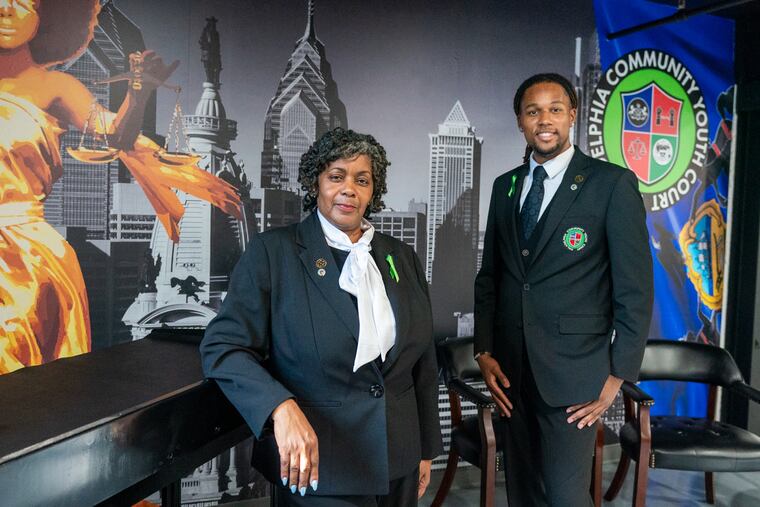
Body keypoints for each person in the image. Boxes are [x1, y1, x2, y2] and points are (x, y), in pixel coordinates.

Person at [201, 128, 442, 506]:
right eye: (336, 176)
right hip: (318, 465)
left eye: (362, 180)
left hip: (399, 460)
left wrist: (425, 448)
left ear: (373, 192)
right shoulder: (273, 253)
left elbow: (423, 359)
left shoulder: (402, 256)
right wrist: (280, 407)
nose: (349, 189)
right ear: (316, 183)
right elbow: (223, 348)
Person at [0, 0, 242, 373]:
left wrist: (139, 92)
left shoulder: (55, 87)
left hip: (26, 261)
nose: (6, 9)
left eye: (23, 1)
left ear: (46, 15)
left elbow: (115, 135)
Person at [474, 73, 653, 506]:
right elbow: (490, 277)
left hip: (575, 375)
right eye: (533, 111)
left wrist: (618, 374)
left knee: (564, 496)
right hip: (512, 372)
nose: (544, 120)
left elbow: (635, 288)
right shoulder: (505, 186)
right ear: (520, 121)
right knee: (522, 492)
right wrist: (483, 350)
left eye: (555, 109)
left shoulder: (611, 184)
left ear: (572, 115)